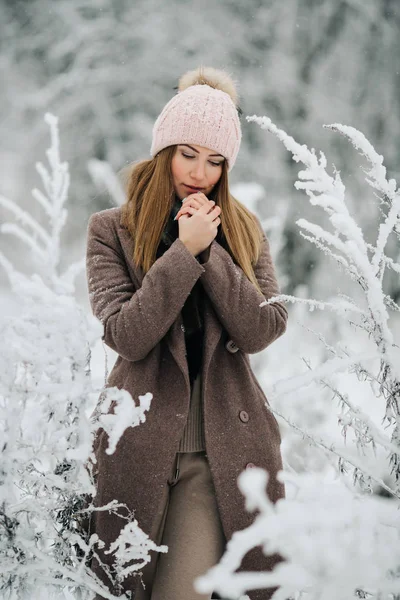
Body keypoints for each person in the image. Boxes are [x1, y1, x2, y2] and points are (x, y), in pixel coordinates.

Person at [84, 66, 288, 600]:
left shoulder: (242, 229)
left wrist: (210, 250)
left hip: (216, 451)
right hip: (136, 445)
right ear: (163, 150)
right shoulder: (112, 230)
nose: (200, 172)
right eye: (188, 153)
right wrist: (181, 253)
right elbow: (127, 335)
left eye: (215, 160)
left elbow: (264, 326)